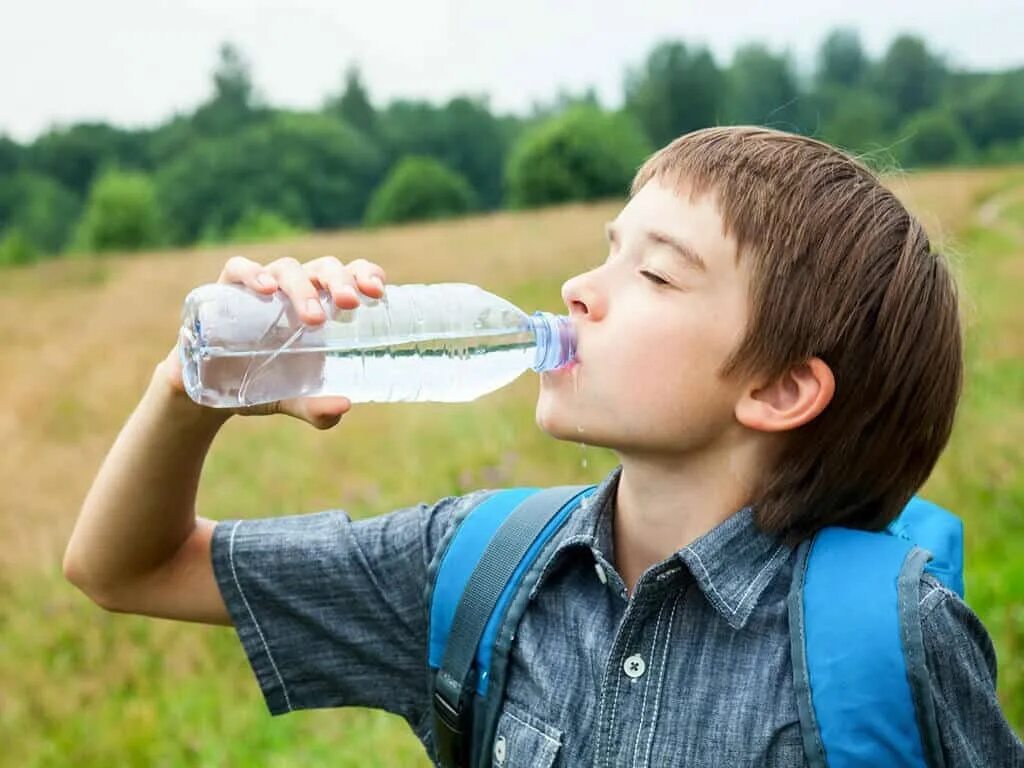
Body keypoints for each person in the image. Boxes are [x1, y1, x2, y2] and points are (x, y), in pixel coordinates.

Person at [63, 126, 1023, 766]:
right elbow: (128, 569)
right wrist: (192, 391)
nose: (578, 288)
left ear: (777, 388)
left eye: (653, 272)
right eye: (608, 249)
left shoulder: (892, 641)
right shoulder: (473, 568)